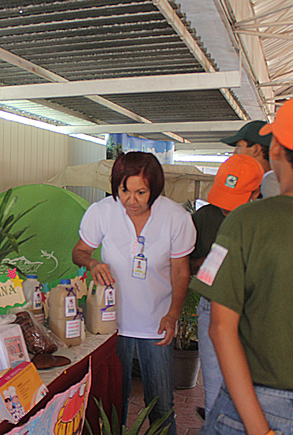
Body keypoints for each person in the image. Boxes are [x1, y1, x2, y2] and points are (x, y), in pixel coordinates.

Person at [191, 94, 293, 435]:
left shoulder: (246, 221)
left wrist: (260, 430)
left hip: (249, 409)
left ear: (275, 149)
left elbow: (220, 327)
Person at [72, 152, 196, 435]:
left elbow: (181, 272)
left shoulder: (176, 218)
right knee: (115, 402)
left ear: (155, 189)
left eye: (141, 192)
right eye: (124, 190)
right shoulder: (102, 211)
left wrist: (173, 314)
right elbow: (79, 252)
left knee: (162, 404)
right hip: (111, 323)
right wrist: (93, 263)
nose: (131, 199)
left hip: (156, 323)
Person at [189, 154, 264, 417]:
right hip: (213, 304)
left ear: (257, 193)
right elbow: (186, 265)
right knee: (215, 390)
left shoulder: (268, 219)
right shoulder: (205, 217)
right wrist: (207, 261)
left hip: (256, 310)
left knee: (252, 392)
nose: (227, 210)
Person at [221, 120, 279, 198]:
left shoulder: (271, 185)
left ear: (256, 149)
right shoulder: (280, 181)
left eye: (239, 146)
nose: (234, 153)